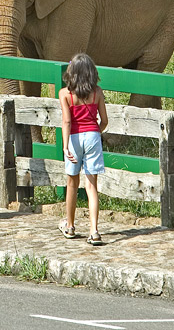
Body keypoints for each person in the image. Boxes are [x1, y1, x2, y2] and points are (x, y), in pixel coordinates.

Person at [58, 52, 108, 246]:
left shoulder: (65, 94)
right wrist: (95, 132)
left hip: (74, 138)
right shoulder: (98, 92)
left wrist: (65, 146)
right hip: (93, 136)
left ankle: (70, 226)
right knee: (91, 185)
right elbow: (104, 121)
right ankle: (94, 231)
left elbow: (66, 121)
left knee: (72, 183)